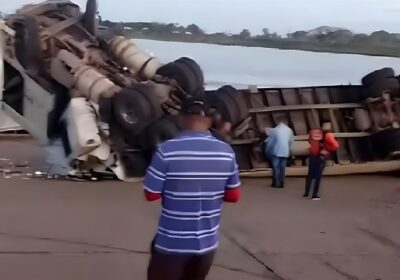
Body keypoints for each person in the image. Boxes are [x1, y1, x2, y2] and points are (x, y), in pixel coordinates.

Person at [143, 97, 241, 280]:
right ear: (211, 119)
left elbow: (151, 194)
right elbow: (234, 195)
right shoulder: (227, 152)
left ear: (183, 118)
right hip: (206, 245)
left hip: (171, 245)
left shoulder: (166, 150)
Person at [304, 123, 339, 200]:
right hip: (321, 157)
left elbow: (310, 142)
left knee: (310, 174)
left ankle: (306, 193)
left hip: (313, 156)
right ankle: (314, 195)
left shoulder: (312, 132)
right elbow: (336, 146)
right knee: (318, 177)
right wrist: (327, 149)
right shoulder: (328, 135)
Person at [263, 122, 294, 188]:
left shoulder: (275, 131)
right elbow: (291, 141)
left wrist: (267, 152)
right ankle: (282, 183)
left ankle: (276, 183)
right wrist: (290, 151)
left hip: (276, 152)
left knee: (276, 168)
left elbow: (270, 143)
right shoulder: (289, 130)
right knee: (282, 168)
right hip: (285, 152)